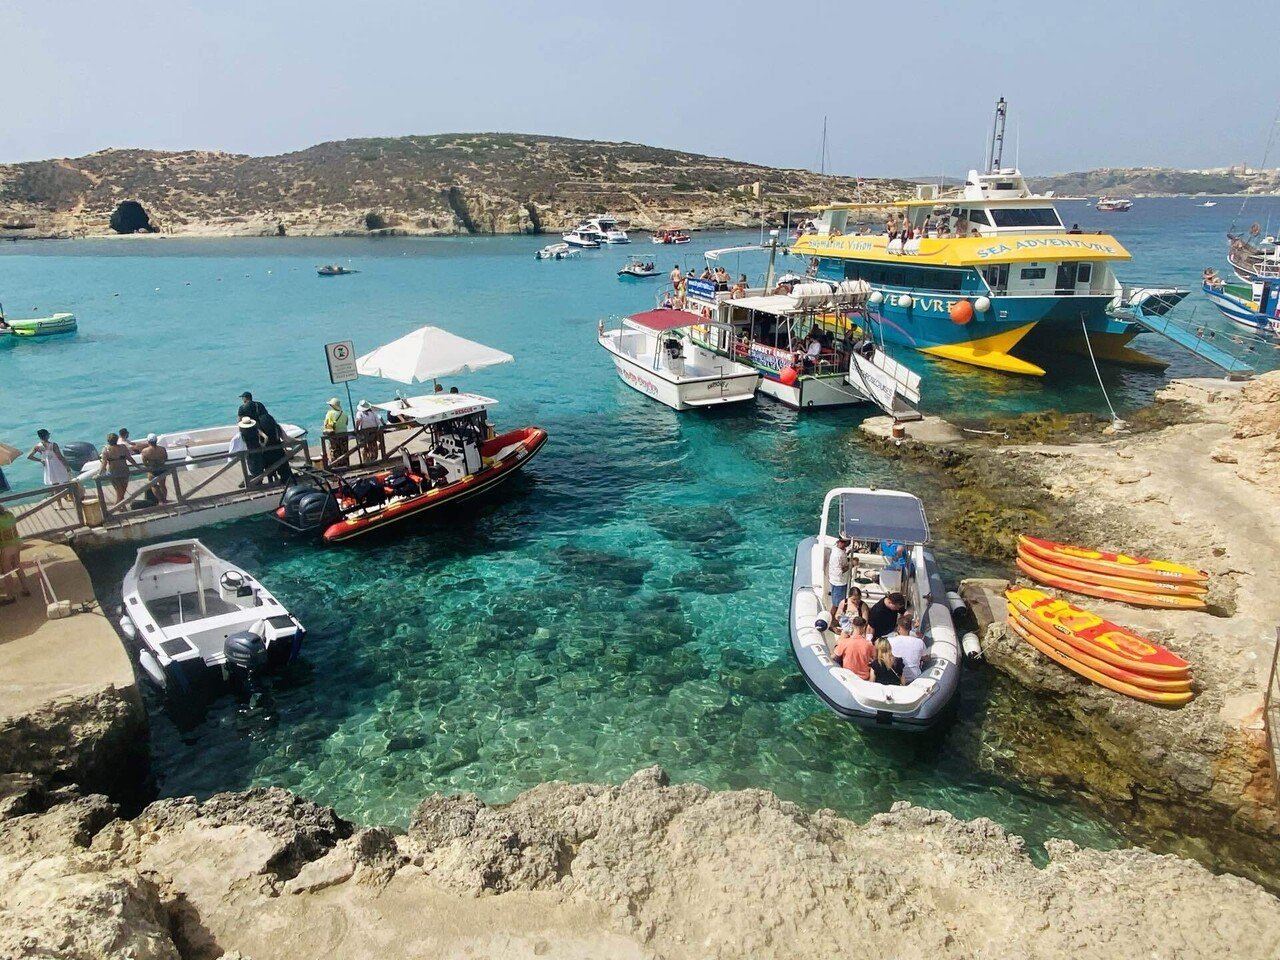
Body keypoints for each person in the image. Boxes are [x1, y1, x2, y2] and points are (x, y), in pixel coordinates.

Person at [0, 502, 31, 605]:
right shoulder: (10, 515)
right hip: (17, 543)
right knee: (17, 566)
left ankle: (10, 596)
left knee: (7, 571)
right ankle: (26, 589)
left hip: (6, 546)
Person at [889, 612, 929, 683]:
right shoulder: (919, 642)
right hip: (914, 678)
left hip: (896, 678)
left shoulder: (889, 641)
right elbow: (926, 658)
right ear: (910, 628)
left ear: (898, 627)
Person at [99, 432, 137, 504]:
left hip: (113, 473)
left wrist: (99, 473)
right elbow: (130, 459)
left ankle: (119, 507)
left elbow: (104, 464)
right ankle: (120, 507)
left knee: (119, 492)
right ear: (117, 440)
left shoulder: (106, 450)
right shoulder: (123, 447)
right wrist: (138, 466)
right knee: (121, 492)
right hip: (124, 471)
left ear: (108, 441)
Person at [139, 433, 169, 504]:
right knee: (163, 485)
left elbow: (144, 462)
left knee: (154, 486)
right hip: (161, 469)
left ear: (148, 441)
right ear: (156, 440)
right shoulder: (162, 449)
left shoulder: (145, 451)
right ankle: (164, 499)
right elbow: (165, 458)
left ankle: (160, 500)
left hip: (152, 470)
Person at [827, 536, 852, 610]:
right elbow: (839, 572)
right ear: (838, 542)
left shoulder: (841, 550)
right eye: (842, 542)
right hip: (839, 582)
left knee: (841, 602)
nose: (843, 543)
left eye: (845, 542)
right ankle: (833, 619)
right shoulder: (836, 555)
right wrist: (851, 564)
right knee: (837, 604)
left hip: (842, 580)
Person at [354, 400, 382, 465]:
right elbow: (379, 423)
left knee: (364, 446)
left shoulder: (359, 413)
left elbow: (358, 420)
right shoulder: (373, 413)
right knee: (373, 446)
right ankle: (373, 459)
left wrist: (356, 429)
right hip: (373, 432)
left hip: (363, 432)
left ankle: (366, 460)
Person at [323, 398, 349, 465]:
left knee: (335, 451)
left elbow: (325, 424)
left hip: (334, 435)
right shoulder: (344, 413)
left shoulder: (330, 413)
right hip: (344, 435)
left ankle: (335, 465)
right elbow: (346, 423)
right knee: (344, 451)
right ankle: (345, 464)